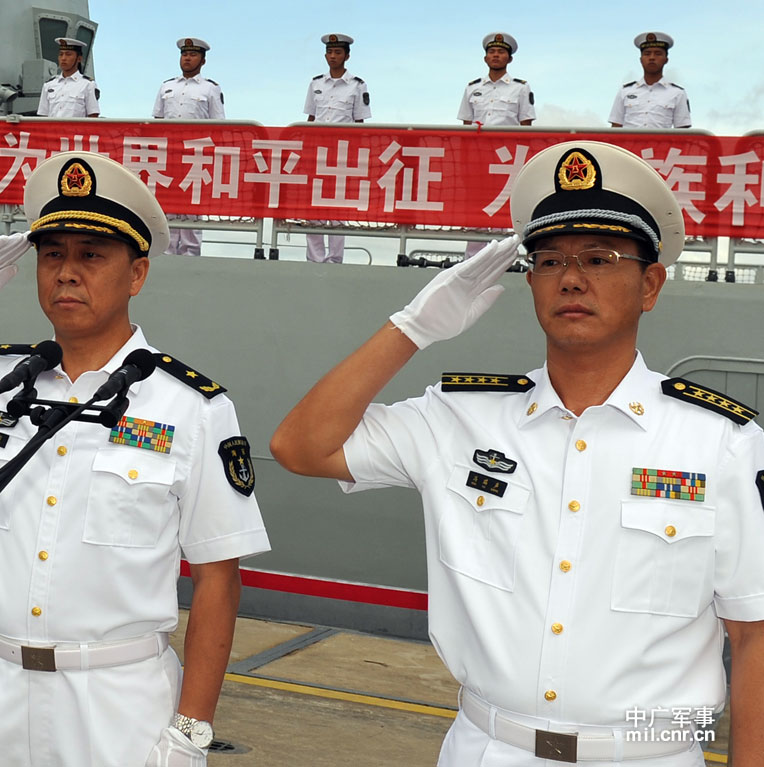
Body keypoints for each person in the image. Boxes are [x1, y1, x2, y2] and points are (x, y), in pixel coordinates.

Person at [271, 140, 764, 766]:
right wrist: (414, 328)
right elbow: (300, 446)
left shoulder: (721, 443)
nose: (572, 278)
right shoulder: (460, 418)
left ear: (651, 285)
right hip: (487, 749)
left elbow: (754, 638)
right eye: (549, 260)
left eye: (601, 257)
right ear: (529, 280)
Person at [0, 151, 270, 766]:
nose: (67, 273)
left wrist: (189, 733)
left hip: (119, 703)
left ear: (136, 275)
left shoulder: (192, 408)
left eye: (91, 255)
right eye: (52, 254)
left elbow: (219, 578)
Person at [303, 33, 371, 264]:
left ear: (347, 56)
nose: (333, 56)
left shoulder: (357, 85)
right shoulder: (316, 84)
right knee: (313, 207)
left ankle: (335, 259)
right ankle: (315, 258)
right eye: (330, 52)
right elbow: (311, 118)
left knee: (338, 209)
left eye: (337, 52)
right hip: (318, 152)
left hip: (343, 154)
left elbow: (360, 123)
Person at [152, 37, 224, 257]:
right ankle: (167, 250)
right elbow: (157, 120)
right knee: (168, 202)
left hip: (196, 153)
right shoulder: (167, 86)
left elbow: (219, 124)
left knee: (192, 205)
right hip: (170, 152)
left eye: (193, 55)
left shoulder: (210, 88)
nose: (187, 58)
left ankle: (191, 252)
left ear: (202, 61)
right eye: (184, 54)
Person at [609, 32, 691, 129]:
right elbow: (615, 128)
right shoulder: (625, 91)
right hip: (629, 144)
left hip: (662, 144)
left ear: (666, 59)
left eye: (658, 54)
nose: (652, 58)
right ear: (641, 59)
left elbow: (682, 132)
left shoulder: (677, 93)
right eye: (647, 54)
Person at [457, 32, 535, 126]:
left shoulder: (521, 88)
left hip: (508, 140)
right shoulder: (472, 88)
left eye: (501, 52)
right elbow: (467, 123)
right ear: (485, 59)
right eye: (491, 52)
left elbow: (526, 123)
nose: (496, 55)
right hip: (478, 140)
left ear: (510, 59)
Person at [37, 37, 100, 118]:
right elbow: (42, 116)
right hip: (53, 130)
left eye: (68, 54)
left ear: (79, 58)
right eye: (61, 54)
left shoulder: (88, 85)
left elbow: (93, 116)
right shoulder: (48, 85)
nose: (63, 58)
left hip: (76, 130)